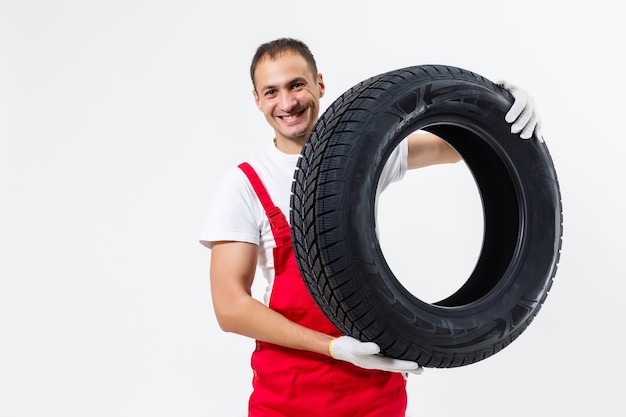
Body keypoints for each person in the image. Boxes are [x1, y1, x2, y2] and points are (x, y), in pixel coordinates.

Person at [200, 37, 542, 417]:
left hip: (376, 389)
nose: (287, 102)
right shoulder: (246, 183)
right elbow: (230, 307)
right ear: (257, 100)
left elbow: (467, 146)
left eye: (297, 85)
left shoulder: (362, 158)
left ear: (319, 85)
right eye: (272, 91)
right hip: (289, 393)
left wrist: (501, 108)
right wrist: (332, 347)